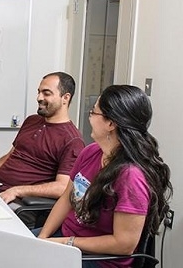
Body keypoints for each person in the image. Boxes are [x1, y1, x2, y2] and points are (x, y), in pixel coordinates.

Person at [36, 85, 172, 268]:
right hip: (66, 240)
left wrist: (66, 243)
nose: (89, 117)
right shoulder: (90, 152)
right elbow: (66, 198)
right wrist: (42, 238)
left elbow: (124, 244)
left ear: (110, 124)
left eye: (93, 112)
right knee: (9, 249)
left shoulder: (131, 177)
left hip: (99, 259)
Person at [0, 72, 85, 224]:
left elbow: (63, 187)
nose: (39, 98)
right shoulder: (32, 121)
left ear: (65, 98)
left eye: (46, 93)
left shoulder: (72, 140)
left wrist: (17, 190)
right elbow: (11, 155)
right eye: (39, 92)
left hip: (17, 203)